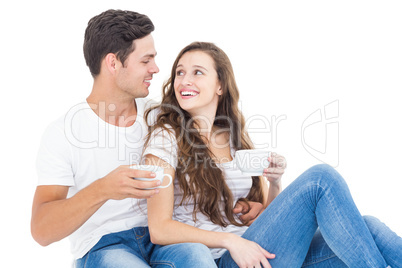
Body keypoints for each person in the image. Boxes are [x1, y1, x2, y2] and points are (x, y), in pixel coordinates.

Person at [142, 41, 402, 268]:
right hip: (227, 259)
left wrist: (274, 182)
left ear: (220, 85)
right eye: (179, 72)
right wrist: (231, 241)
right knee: (320, 180)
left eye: (197, 72)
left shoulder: (233, 138)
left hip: (262, 252)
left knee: (368, 227)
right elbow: (159, 228)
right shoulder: (166, 136)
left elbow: (264, 215)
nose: (184, 80)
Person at [30, 10, 242, 268]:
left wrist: (245, 202)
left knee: (197, 256)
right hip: (105, 246)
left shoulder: (162, 117)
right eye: (146, 60)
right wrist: (103, 189)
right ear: (113, 63)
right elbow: (41, 230)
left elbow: (212, 160)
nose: (156, 69)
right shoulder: (64, 133)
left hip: (162, 242)